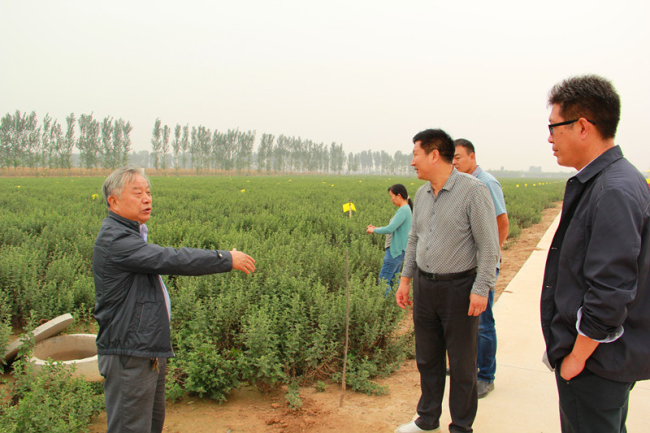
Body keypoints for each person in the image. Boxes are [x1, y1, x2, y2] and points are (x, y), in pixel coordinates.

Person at [93, 166, 256, 433]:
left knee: (151, 425)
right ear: (114, 201)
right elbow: (171, 258)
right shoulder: (116, 240)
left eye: (148, 192)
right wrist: (225, 258)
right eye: (138, 193)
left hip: (145, 350)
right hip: (129, 354)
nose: (147, 198)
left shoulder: (130, 234)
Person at [541, 75, 650, 433]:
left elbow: (610, 290)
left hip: (595, 365)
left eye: (554, 127)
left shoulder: (612, 189)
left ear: (583, 127)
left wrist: (576, 357)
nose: (550, 138)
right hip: (604, 362)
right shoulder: (613, 180)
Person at [394, 129, 500, 433]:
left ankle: (461, 427)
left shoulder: (474, 191)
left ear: (434, 155)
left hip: (459, 289)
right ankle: (427, 419)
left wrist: (481, 289)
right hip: (425, 287)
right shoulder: (422, 195)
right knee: (428, 358)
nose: (412, 162)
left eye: (416, 154)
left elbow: (489, 246)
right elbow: (414, 239)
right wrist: (405, 280)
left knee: (463, 364)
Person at [453, 139, 509, 399]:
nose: (454, 162)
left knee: (484, 323)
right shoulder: (462, 184)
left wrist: (490, 258)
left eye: (458, 157)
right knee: (466, 321)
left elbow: (502, 223)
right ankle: (467, 368)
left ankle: (486, 376)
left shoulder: (487, 183)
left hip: (482, 267)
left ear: (472, 157)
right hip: (465, 265)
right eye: (452, 158)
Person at [366, 184, 413, 296]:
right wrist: (376, 227)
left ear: (399, 195)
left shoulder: (403, 210)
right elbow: (394, 228)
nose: (391, 199)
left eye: (392, 196)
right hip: (400, 251)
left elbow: (390, 228)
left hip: (394, 251)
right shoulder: (407, 209)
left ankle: (387, 304)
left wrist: (373, 230)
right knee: (393, 280)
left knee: (384, 280)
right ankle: (396, 303)